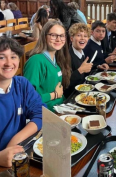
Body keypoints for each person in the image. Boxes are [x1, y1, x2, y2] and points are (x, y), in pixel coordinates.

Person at [0, 37, 45, 167]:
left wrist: (14, 142)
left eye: (13, 57)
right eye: (1, 57)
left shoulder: (22, 84)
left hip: (20, 156)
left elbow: (41, 113)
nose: (9, 63)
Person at [23, 20, 71, 111]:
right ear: (44, 37)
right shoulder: (36, 61)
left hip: (60, 107)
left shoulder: (55, 58)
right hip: (46, 113)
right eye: (53, 35)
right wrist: (54, 95)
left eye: (62, 35)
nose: (58, 39)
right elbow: (27, 98)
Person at [64, 23, 93, 98]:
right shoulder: (67, 56)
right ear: (71, 38)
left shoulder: (82, 53)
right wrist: (80, 70)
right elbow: (65, 83)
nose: (82, 38)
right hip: (72, 96)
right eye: (79, 35)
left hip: (83, 92)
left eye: (85, 36)